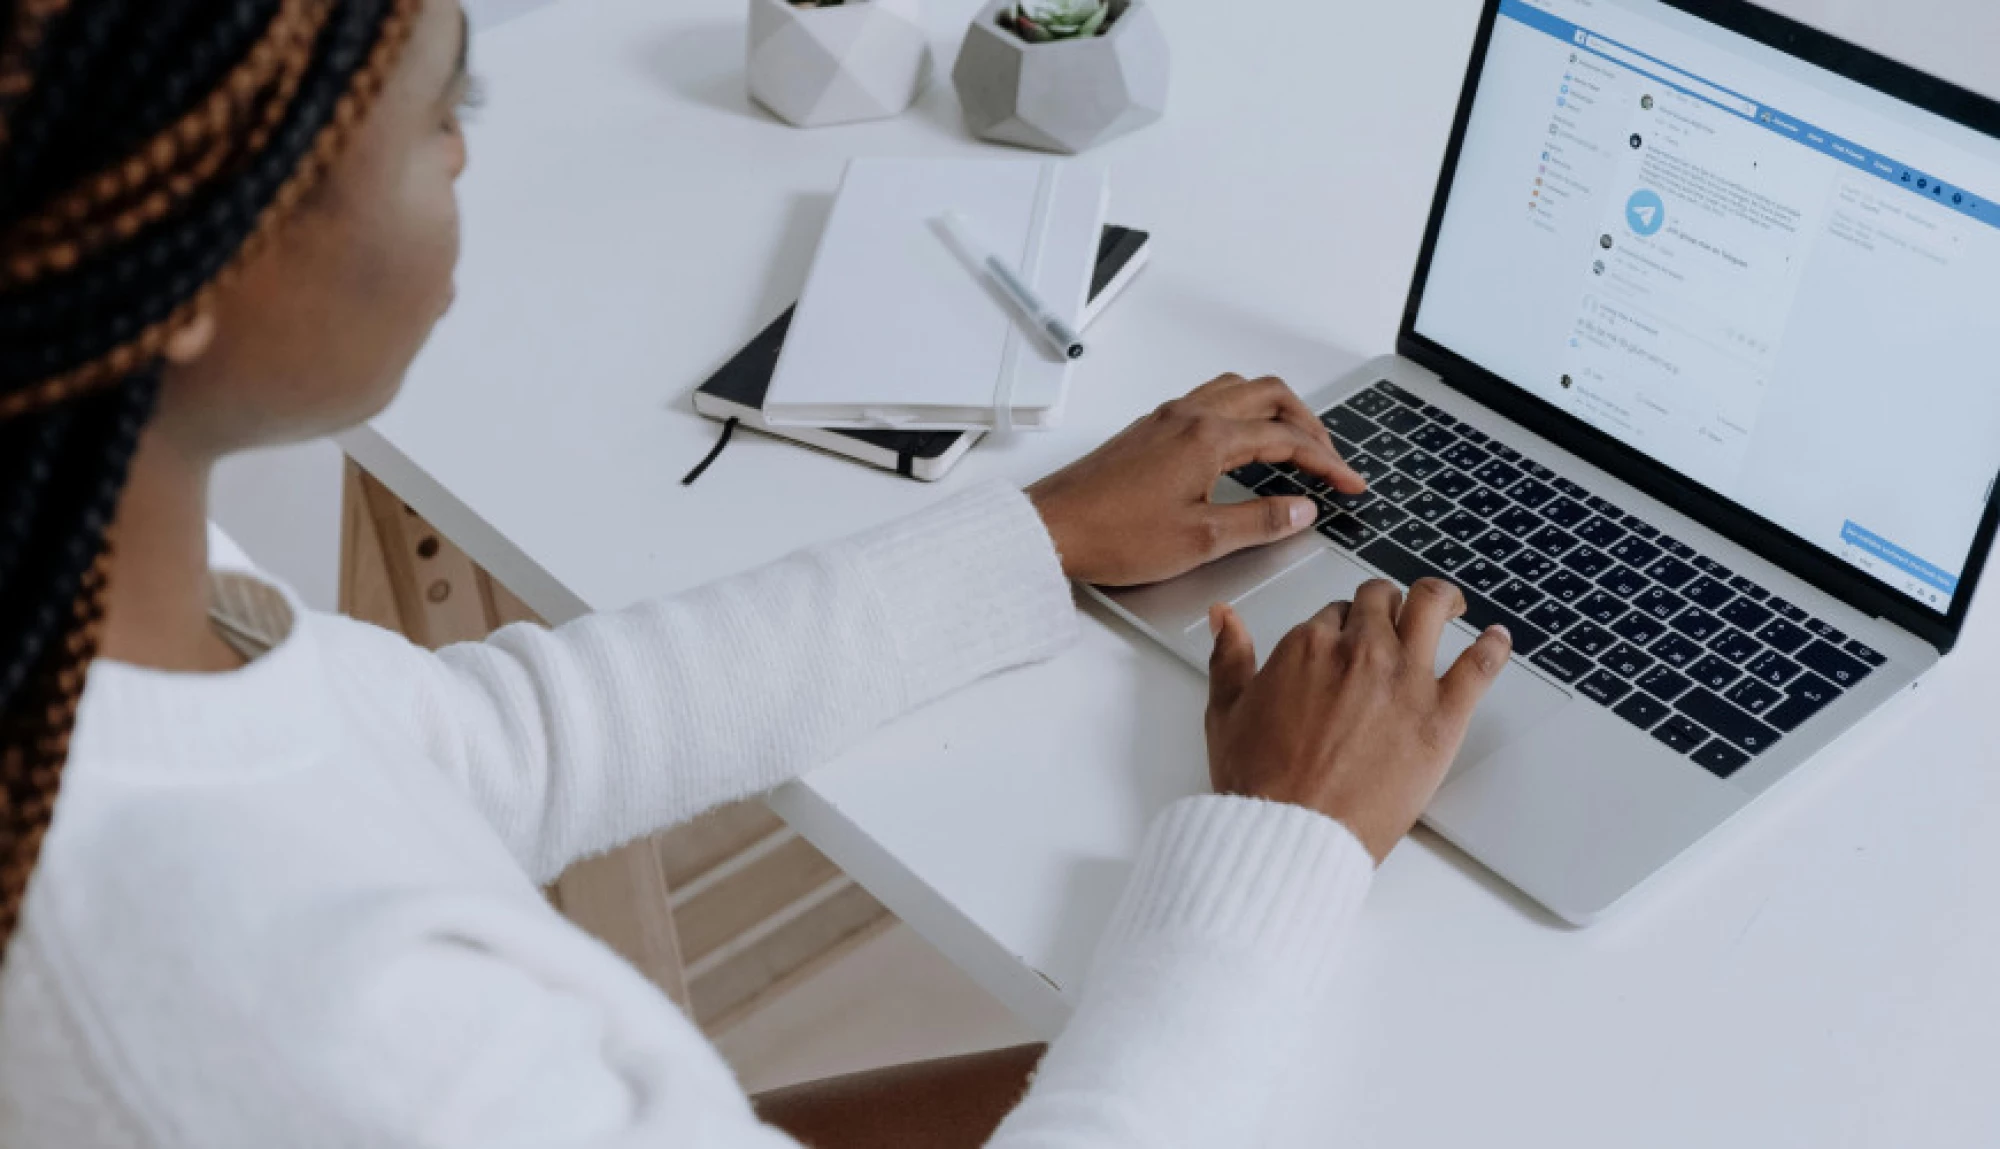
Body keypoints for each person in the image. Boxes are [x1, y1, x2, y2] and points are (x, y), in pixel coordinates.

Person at [0, 1, 1513, 1145]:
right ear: (175, 262)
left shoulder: (82, 575)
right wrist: (1283, 837)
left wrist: (1034, 536)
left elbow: (480, 743)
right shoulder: (299, 1026)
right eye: (436, 109)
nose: (464, 149)